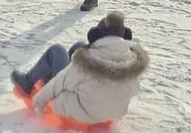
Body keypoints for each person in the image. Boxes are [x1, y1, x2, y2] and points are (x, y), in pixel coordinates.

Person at [10, 11, 148, 124]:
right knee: (80, 46)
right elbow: (133, 89)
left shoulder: (87, 64)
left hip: (83, 112)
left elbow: (59, 83)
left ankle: (27, 82)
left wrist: (39, 102)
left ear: (97, 35)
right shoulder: (132, 62)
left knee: (57, 51)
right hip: (113, 111)